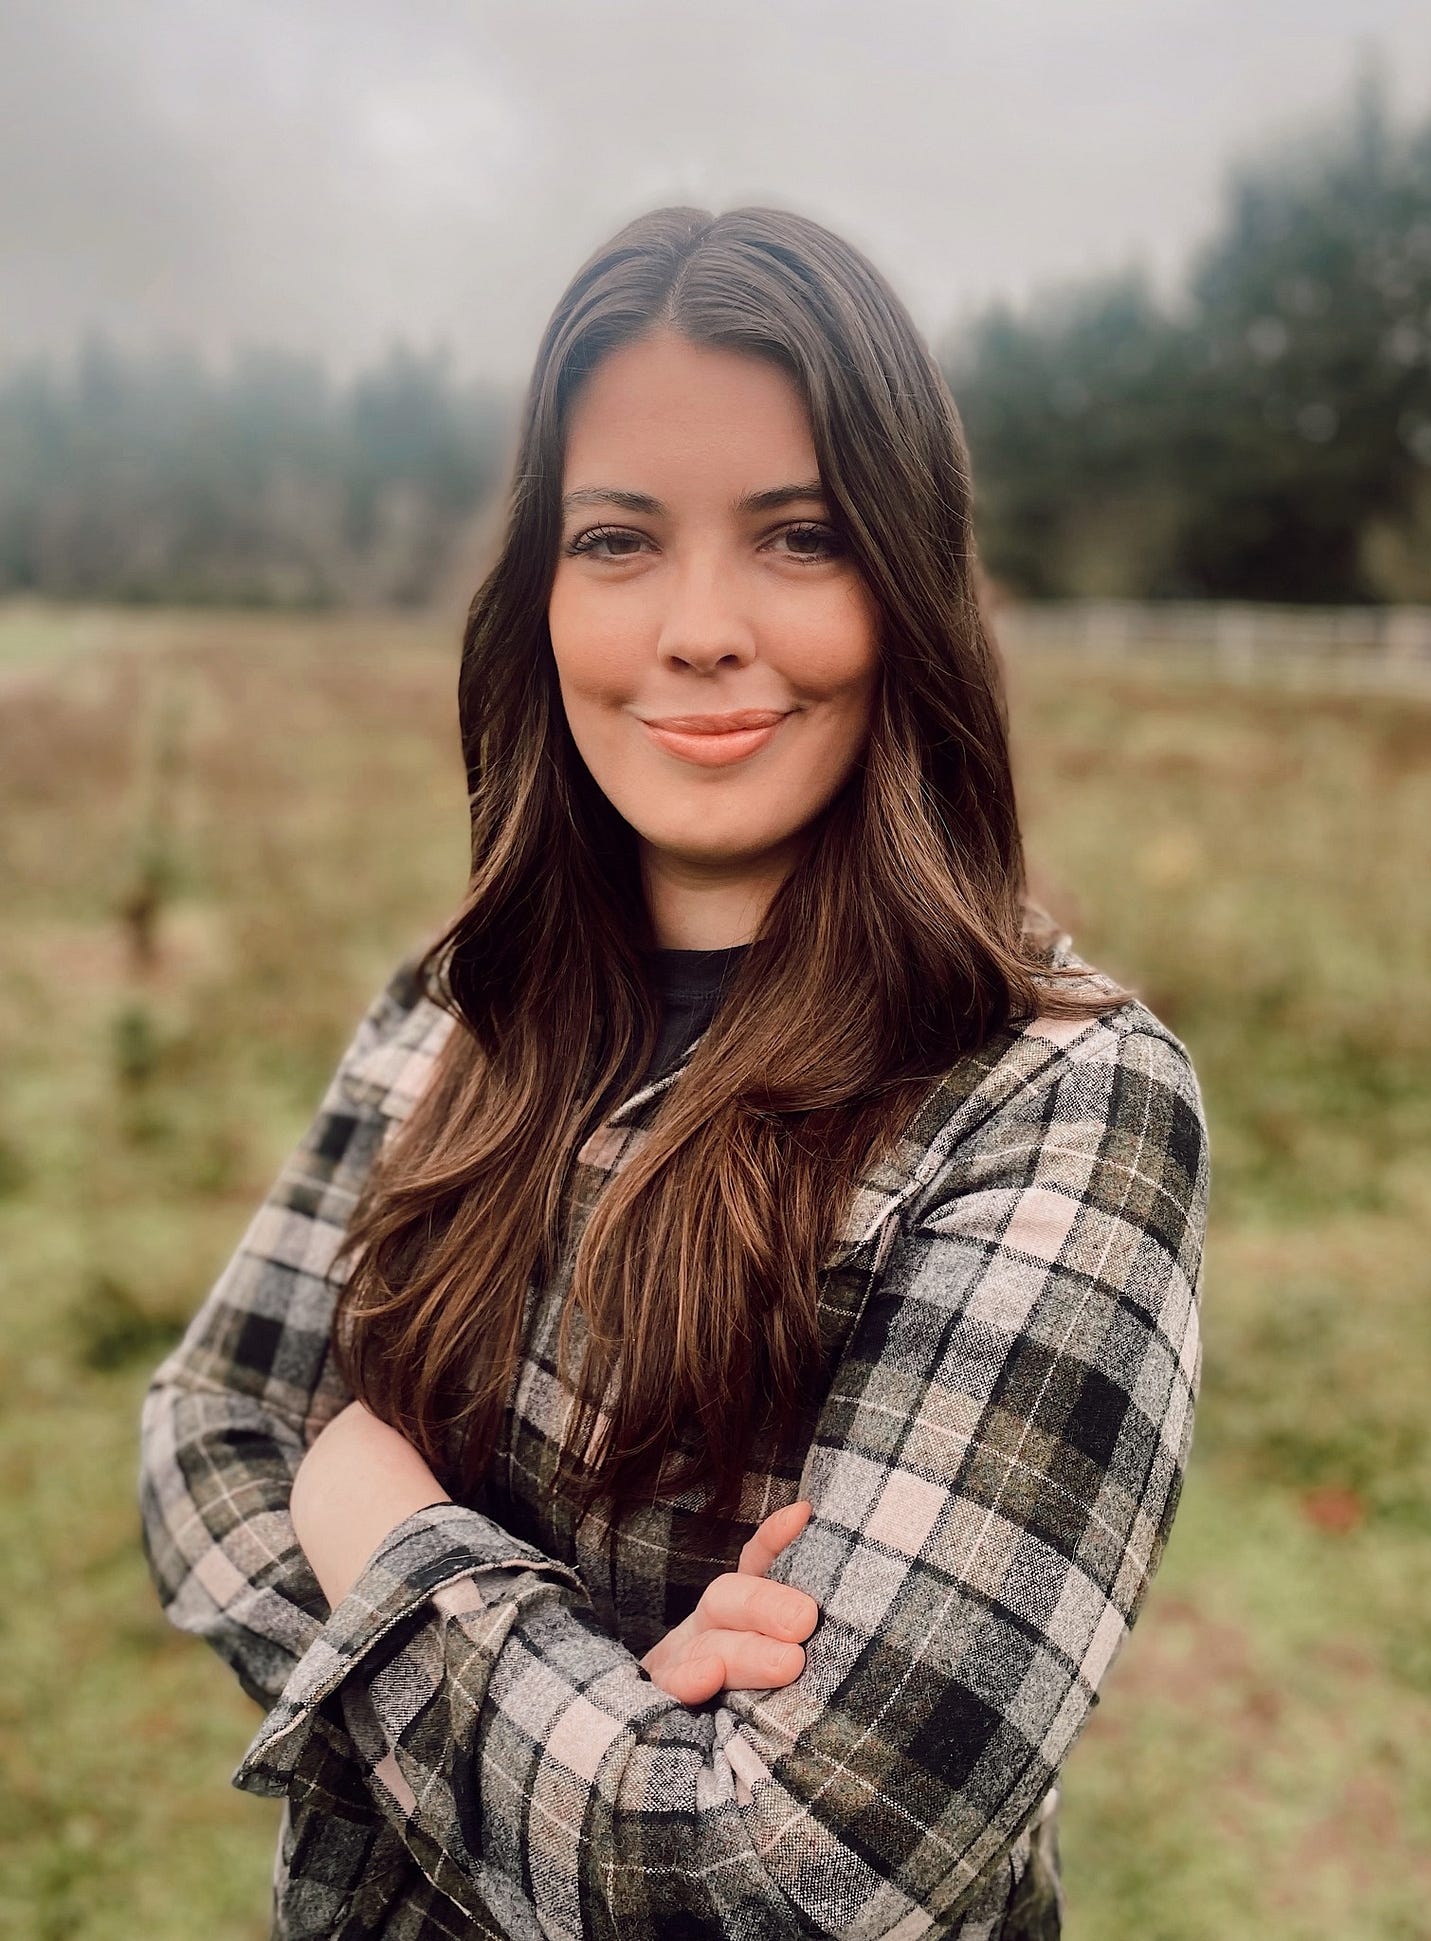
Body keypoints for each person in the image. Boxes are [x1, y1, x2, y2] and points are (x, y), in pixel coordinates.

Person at [137, 204, 1209, 1941]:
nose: (699, 628)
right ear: (541, 593)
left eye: (798, 536)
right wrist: (613, 1712)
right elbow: (208, 1426)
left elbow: (776, 1887)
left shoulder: (1056, 1100)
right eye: (620, 539)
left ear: (909, 585)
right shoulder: (463, 1005)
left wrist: (378, 1532)